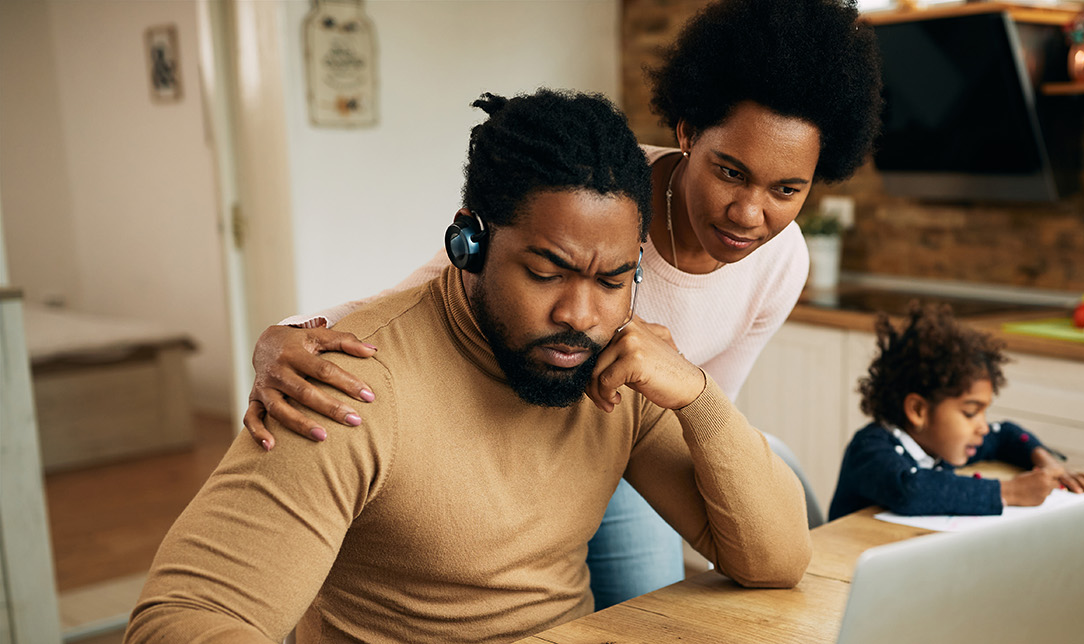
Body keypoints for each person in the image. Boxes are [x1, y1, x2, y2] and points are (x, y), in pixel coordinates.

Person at [240, 0, 883, 609]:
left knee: (658, 599)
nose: (749, 213)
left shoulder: (782, 260)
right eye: (729, 172)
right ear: (688, 132)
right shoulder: (600, 199)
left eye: (786, 189)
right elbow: (429, 292)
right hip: (544, 431)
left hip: (631, 434)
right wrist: (287, 334)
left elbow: (712, 399)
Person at [125, 89, 811, 643]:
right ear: (468, 241)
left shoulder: (615, 368)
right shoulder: (345, 384)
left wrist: (696, 394)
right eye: (547, 272)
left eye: (613, 281)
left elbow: (778, 561)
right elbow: (180, 617)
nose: (581, 313)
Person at [828, 303, 1084, 522]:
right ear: (918, 410)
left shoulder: (940, 442)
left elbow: (1005, 434)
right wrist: (1010, 491)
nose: (982, 427)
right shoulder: (870, 449)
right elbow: (910, 490)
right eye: (970, 413)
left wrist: (1046, 462)